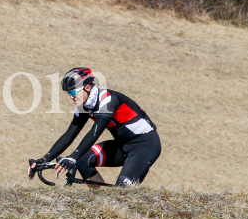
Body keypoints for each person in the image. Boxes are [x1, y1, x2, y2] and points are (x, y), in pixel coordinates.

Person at [29, 67, 161, 187]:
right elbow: (69, 134)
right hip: (122, 145)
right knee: (82, 160)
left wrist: (72, 157)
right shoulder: (84, 106)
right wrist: (44, 159)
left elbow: (95, 131)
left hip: (145, 146)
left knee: (123, 191)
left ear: (87, 87)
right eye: (68, 93)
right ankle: (101, 200)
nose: (71, 97)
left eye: (73, 92)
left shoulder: (108, 100)